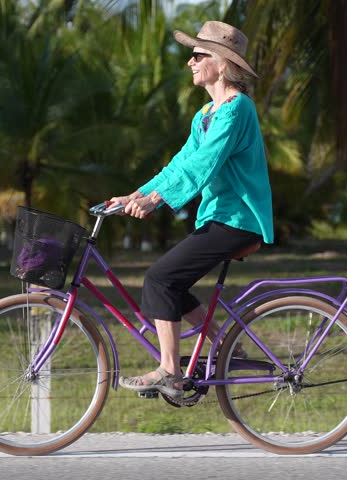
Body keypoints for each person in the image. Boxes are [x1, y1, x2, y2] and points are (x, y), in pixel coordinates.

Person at [109, 21, 273, 399]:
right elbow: (182, 164)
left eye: (199, 55)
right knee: (173, 283)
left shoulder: (236, 110)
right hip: (220, 218)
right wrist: (134, 194)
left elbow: (206, 165)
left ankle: (171, 371)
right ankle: (227, 346)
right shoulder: (205, 115)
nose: (190, 62)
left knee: (160, 278)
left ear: (222, 63)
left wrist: (156, 201)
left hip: (239, 220)